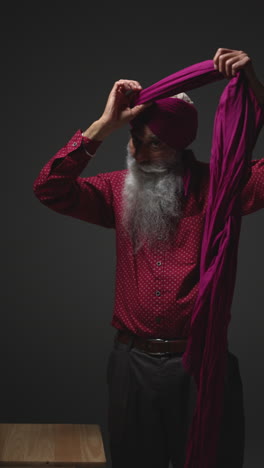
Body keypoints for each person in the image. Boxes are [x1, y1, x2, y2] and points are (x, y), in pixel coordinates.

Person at [33, 48, 264, 468]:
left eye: (154, 145)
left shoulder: (221, 187)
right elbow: (49, 188)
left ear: (180, 145)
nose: (138, 156)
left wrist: (254, 88)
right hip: (131, 366)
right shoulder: (117, 190)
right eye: (134, 141)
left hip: (203, 365)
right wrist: (103, 126)